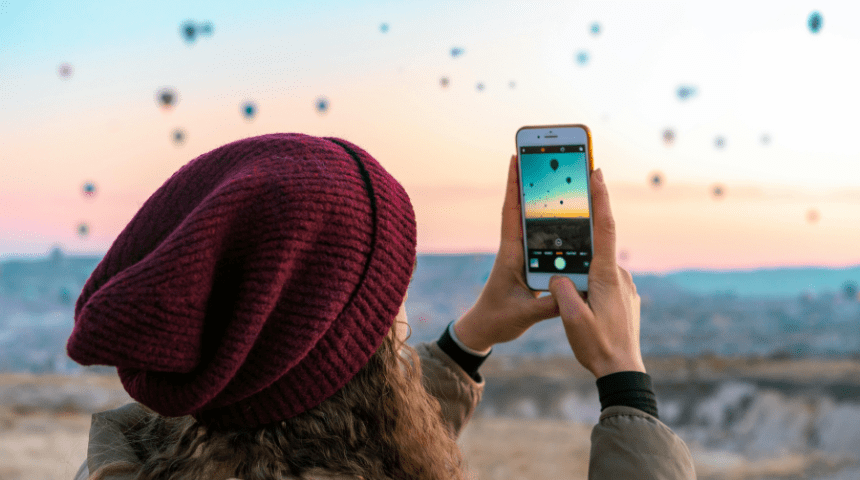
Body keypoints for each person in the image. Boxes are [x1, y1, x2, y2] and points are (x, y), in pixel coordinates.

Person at [68, 133, 695, 480]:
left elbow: (327, 406)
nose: (397, 318)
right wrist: (625, 382)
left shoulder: (126, 462)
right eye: (388, 299)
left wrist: (469, 338)